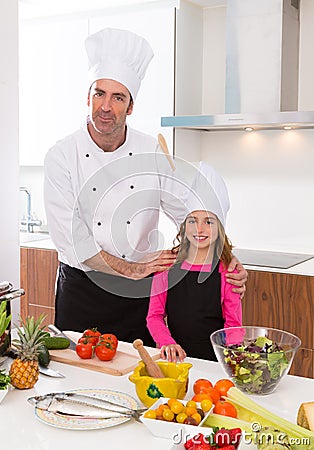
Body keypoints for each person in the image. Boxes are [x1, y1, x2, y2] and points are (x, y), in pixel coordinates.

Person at [44, 28, 247, 346]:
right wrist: (130, 269)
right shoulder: (61, 155)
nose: (106, 106)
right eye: (99, 93)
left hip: (136, 298)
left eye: (118, 97)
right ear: (88, 97)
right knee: (76, 376)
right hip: (82, 290)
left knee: (138, 379)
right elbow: (72, 240)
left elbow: (191, 212)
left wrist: (227, 260)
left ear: (131, 106)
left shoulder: (151, 150)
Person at [146, 162, 242, 361]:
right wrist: (166, 342)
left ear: (220, 228)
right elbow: (154, 317)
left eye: (208, 221)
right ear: (183, 226)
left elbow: (233, 325)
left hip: (215, 359)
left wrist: (231, 357)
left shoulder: (227, 271)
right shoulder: (166, 268)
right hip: (175, 358)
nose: (199, 229)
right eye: (192, 221)